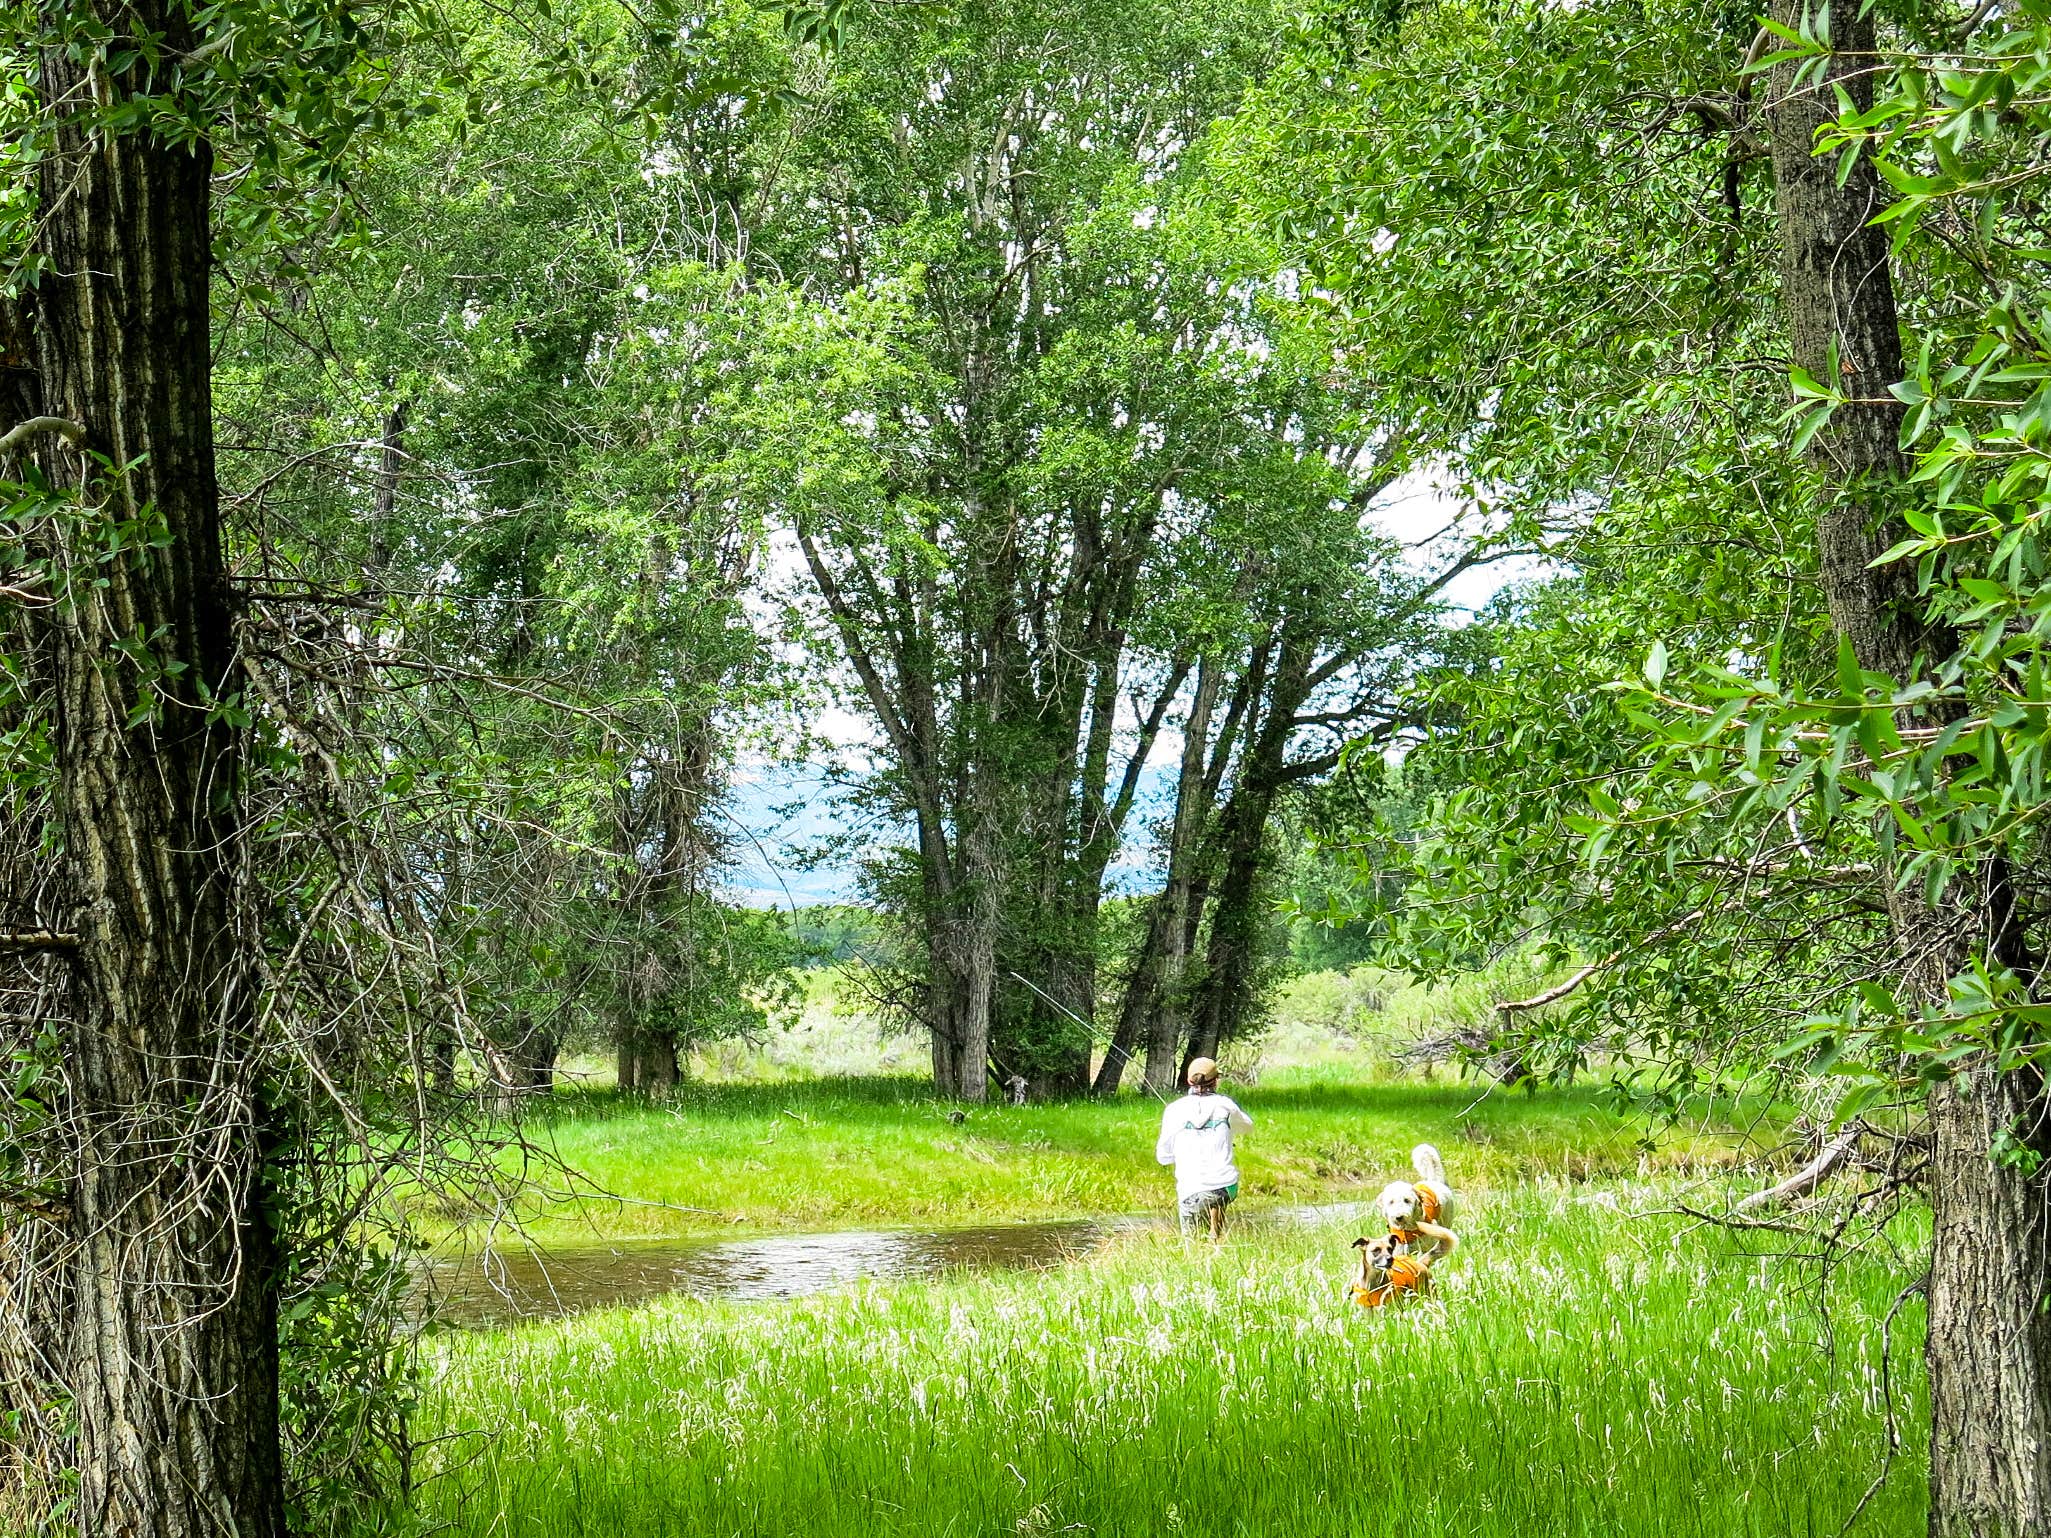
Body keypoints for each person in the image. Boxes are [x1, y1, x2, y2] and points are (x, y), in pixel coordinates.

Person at [1155, 1057, 1252, 1241]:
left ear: (1189, 1081)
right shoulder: (1225, 1105)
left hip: (1191, 1190)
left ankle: (1207, 1243)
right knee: (1217, 1194)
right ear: (1216, 1081)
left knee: (1191, 1243)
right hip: (1227, 1186)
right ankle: (1215, 1236)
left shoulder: (1174, 1110)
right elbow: (1248, 1127)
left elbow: (1163, 1157)